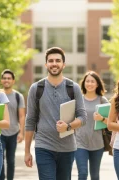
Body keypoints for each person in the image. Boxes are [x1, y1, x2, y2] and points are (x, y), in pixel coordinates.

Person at [24, 47, 87, 180]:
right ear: (46, 64)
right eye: (51, 61)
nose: (54, 63)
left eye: (58, 60)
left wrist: (68, 126)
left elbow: (83, 117)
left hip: (67, 148)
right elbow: (30, 120)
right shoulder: (36, 88)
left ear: (63, 64)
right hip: (43, 146)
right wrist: (27, 151)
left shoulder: (73, 88)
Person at [75, 71, 109, 180]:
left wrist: (102, 118)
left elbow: (111, 123)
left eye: (92, 81)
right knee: (83, 173)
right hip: (80, 142)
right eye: (87, 81)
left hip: (97, 143)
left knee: (95, 175)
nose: (89, 84)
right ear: (84, 83)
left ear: (97, 84)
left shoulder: (102, 100)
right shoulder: (78, 99)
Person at [0, 69, 25, 180]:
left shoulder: (18, 97)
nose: (6, 80)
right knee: (0, 159)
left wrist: (21, 132)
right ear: (1, 80)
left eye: (9, 78)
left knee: (11, 160)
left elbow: (22, 116)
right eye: (4, 78)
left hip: (13, 132)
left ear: (13, 81)